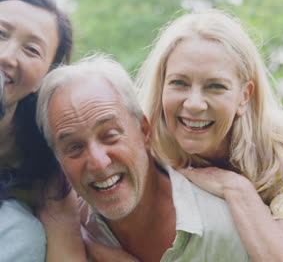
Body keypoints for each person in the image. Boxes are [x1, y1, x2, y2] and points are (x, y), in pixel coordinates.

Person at [137, 10, 283, 261]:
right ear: (161, 86)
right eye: (179, 83)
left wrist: (237, 190)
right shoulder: (140, 145)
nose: (194, 103)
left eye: (215, 86)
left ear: (244, 96)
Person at [36, 54, 250, 262]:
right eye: (74, 147)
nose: (99, 163)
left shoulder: (228, 228)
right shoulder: (62, 240)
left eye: (110, 136)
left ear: (144, 131)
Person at [0, 0, 75, 261]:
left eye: (31, 50)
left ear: (44, 78)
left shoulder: (46, 164)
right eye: (0, 33)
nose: (6, 56)